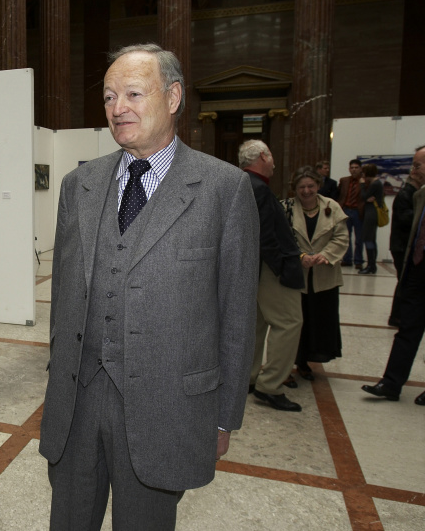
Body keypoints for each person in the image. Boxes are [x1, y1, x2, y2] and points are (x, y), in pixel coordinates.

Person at [39, 43, 259, 530]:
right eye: (110, 96)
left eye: (134, 93)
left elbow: (239, 314)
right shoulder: (81, 184)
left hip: (167, 407)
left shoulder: (223, 189)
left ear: (174, 97)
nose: (118, 108)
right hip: (77, 403)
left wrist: (224, 417)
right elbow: (63, 300)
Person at [242, 140, 306, 411]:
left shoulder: (243, 184)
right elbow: (266, 236)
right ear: (263, 157)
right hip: (270, 269)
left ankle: (249, 376)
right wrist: (282, 268)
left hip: (251, 269)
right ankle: (270, 386)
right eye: (271, 155)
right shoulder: (259, 189)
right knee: (289, 322)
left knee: (256, 326)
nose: (274, 162)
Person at [362, 145, 425, 406]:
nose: (413, 170)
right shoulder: (420, 195)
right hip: (417, 272)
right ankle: (391, 383)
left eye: (418, 165)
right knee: (407, 328)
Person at [284, 170, 348, 383]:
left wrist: (325, 255)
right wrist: (300, 255)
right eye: (301, 187)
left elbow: (341, 237)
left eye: (310, 186)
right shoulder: (288, 208)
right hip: (298, 276)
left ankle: (308, 361)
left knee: (319, 320)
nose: (306, 191)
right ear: (295, 188)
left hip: (324, 276)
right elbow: (282, 237)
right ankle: (294, 361)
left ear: (318, 185)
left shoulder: (332, 207)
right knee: (297, 321)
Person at [388, 163, 423, 326]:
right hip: (401, 245)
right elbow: (404, 219)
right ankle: (396, 316)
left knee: (405, 281)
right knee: (404, 281)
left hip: (402, 244)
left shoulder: (412, 193)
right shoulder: (406, 194)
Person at [338, 159, 366, 269]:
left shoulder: (364, 181)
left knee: (359, 238)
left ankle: (358, 260)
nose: (354, 170)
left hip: (358, 211)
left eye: (356, 168)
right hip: (346, 210)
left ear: (360, 169)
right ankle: (347, 259)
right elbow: (339, 193)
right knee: (345, 236)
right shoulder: (344, 180)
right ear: (349, 169)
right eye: (352, 168)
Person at [358, 163, 385, 274]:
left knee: (368, 239)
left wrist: (362, 185)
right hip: (371, 213)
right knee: (371, 239)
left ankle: (371, 265)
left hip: (371, 213)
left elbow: (364, 196)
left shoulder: (374, 184)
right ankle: (371, 265)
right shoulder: (377, 183)